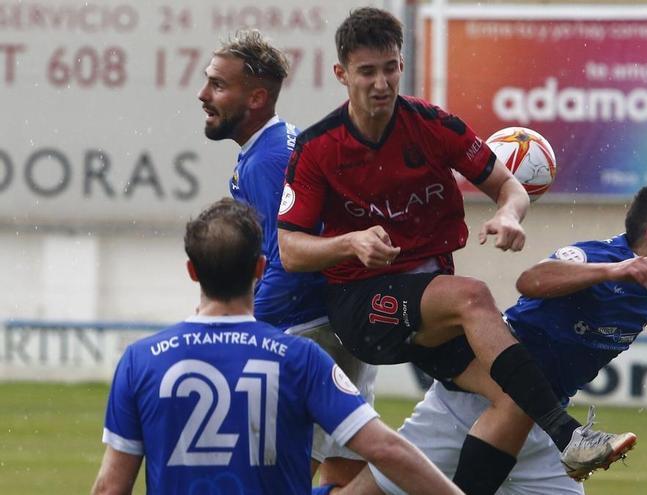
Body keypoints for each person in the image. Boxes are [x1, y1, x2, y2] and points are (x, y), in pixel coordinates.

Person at [277, 7, 604, 493]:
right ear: (342, 74)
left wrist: (509, 214)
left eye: (390, 67)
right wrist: (351, 242)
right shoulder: (318, 147)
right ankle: (567, 434)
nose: (381, 82)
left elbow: (509, 186)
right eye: (367, 72)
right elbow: (290, 250)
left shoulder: (433, 125)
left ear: (401, 65)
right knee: (471, 295)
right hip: (363, 305)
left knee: (514, 400)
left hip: (427, 306)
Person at [343, 181, 647, 494]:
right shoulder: (594, 257)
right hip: (476, 404)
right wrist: (615, 271)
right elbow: (532, 279)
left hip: (545, 431)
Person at [90, 198, 462, 495]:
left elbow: (111, 487)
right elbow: (386, 450)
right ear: (260, 268)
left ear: (192, 271)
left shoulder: (141, 361)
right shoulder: (298, 358)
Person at [196, 29, 377, 485]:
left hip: (309, 334)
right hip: (337, 325)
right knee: (347, 471)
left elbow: (290, 264)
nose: (203, 94)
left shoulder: (267, 160)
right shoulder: (280, 145)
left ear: (256, 98)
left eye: (218, 84)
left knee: (270, 476)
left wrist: (235, 322)